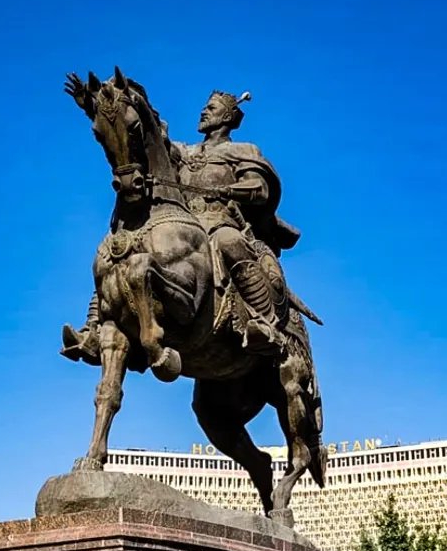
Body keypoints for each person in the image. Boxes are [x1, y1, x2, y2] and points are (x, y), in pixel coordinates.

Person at [62, 89, 302, 363]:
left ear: (228, 116)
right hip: (180, 223)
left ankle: (263, 322)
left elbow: (259, 189)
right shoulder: (185, 151)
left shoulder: (243, 150)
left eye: (211, 108)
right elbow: (146, 132)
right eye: (205, 107)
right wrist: (92, 107)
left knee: (230, 242)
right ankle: (94, 327)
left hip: (218, 221)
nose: (204, 111)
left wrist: (229, 190)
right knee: (120, 248)